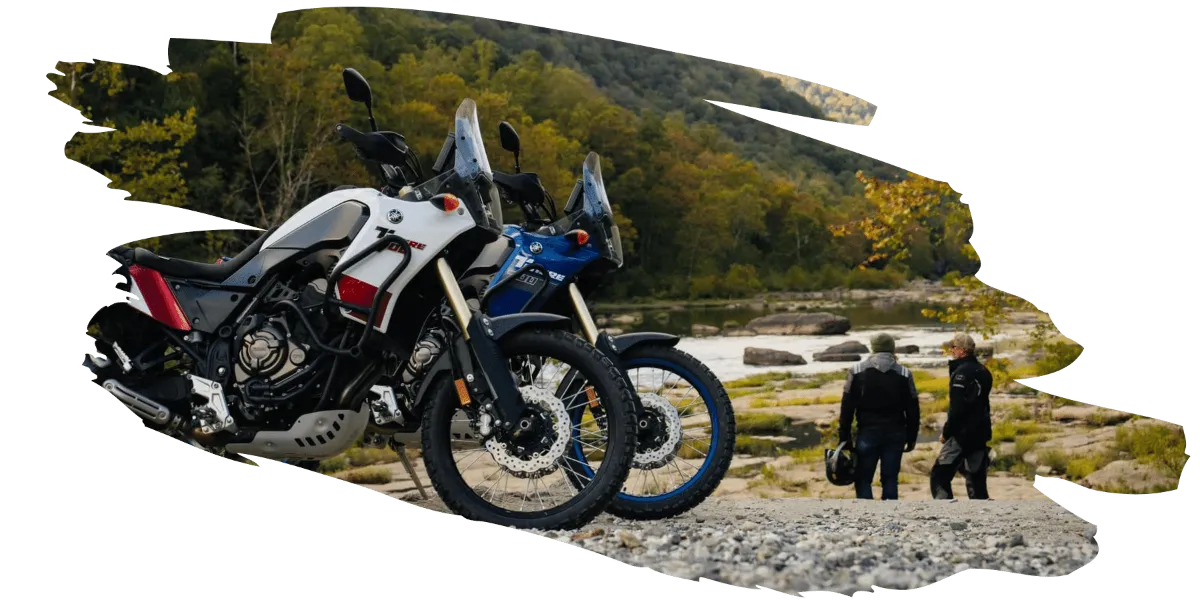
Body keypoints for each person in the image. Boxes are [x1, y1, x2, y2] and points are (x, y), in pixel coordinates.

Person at [838, 333, 921, 500]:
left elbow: (847, 407)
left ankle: (867, 517)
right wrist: (912, 437)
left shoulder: (856, 371)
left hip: (867, 432)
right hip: (896, 432)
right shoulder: (905, 373)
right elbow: (913, 409)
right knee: (890, 478)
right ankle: (890, 515)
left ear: (873, 348)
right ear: (892, 348)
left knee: (863, 478)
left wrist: (844, 437)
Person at [930, 333, 994, 500]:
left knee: (939, 475)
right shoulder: (984, 370)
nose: (951, 351)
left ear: (960, 350)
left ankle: (944, 509)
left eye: (953, 348)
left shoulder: (960, 373)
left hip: (962, 433)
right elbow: (983, 404)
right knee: (976, 476)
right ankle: (982, 509)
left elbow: (957, 408)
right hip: (981, 430)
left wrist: (947, 432)